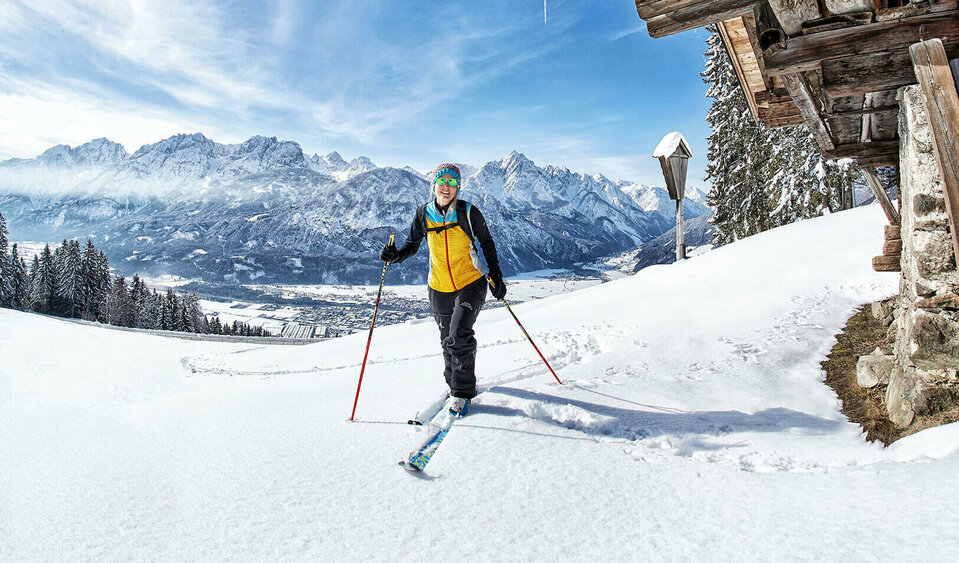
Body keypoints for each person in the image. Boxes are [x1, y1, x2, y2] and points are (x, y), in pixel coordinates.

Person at [380, 163, 506, 416]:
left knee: (459, 334)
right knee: (447, 339)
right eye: (442, 181)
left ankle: (462, 393)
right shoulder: (423, 214)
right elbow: (412, 245)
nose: (446, 187)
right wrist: (395, 256)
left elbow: (487, 243)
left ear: (458, 187)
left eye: (452, 182)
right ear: (434, 185)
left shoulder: (468, 212)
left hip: (470, 282)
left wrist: (496, 275)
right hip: (438, 286)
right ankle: (453, 385)